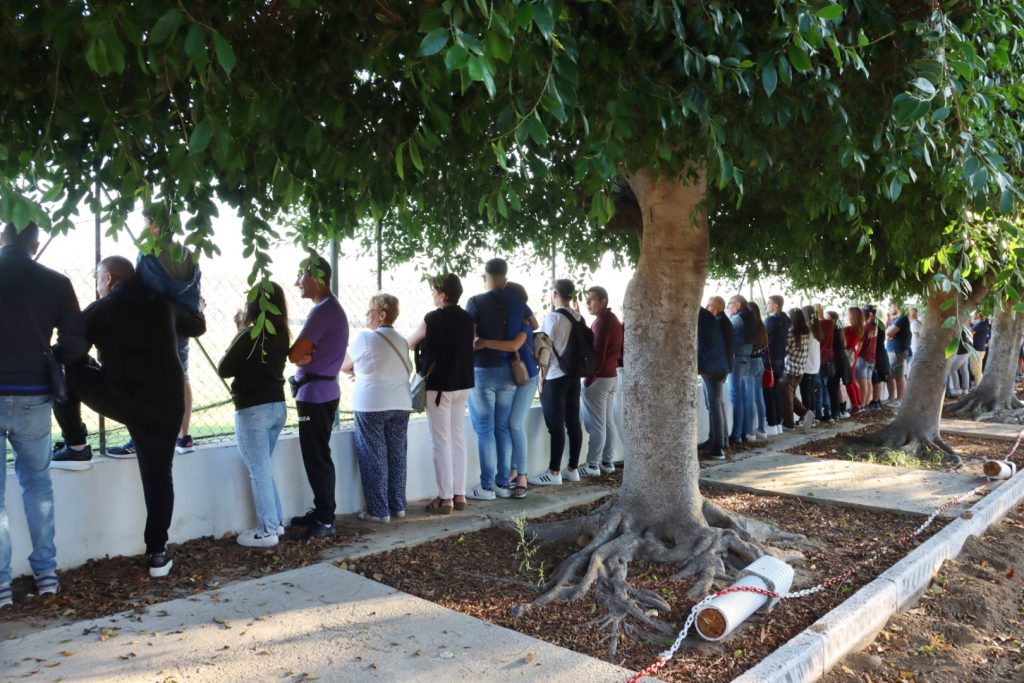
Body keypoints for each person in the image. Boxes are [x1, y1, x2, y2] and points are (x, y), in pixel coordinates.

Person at [52, 255, 205, 578]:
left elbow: (71, 352)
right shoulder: (163, 303)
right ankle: (158, 553)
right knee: (159, 476)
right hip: (167, 405)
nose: (97, 285)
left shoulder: (103, 308)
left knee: (67, 369)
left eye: (97, 279)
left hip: (124, 398)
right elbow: (198, 325)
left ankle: (76, 446)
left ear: (108, 279)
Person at [0, 222, 86, 606]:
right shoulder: (56, 282)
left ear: (3, 239)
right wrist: (51, 358)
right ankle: (47, 576)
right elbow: (75, 343)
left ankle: (2, 587)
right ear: (36, 245)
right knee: (38, 486)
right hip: (34, 393)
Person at [109, 207, 204, 457]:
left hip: (156, 325)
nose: (143, 230)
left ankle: (140, 439)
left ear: (155, 227)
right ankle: (184, 436)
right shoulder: (187, 253)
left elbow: (145, 291)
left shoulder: (149, 253)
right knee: (181, 375)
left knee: (147, 379)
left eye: (145, 224)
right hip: (182, 323)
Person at [217, 283, 290, 547]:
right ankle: (276, 522)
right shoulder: (281, 333)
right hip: (277, 407)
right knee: (263, 467)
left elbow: (224, 368)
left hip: (252, 409)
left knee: (258, 469)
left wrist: (239, 332)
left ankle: (268, 530)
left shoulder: (249, 334)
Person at [288, 253, 348, 540]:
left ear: (316, 279)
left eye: (302, 276)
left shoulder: (323, 311)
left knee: (317, 456)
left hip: (316, 396)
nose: (298, 282)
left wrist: (303, 356)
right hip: (318, 393)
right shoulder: (328, 309)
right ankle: (322, 510)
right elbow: (301, 354)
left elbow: (295, 353)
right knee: (317, 454)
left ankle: (325, 518)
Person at [465, 258, 533, 499]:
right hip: (508, 372)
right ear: (505, 276)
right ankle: (503, 484)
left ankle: (486, 487)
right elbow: (532, 323)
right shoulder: (517, 300)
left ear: (485, 276)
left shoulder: (475, 302)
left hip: (482, 370)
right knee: (502, 428)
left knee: (485, 430)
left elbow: (467, 334)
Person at [407, 274, 475, 513]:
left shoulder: (432, 318)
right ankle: (460, 495)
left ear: (443, 294)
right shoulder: (468, 318)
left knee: (441, 441)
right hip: (463, 383)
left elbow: (411, 342)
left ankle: (445, 498)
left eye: (434, 291)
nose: (432, 294)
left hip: (439, 387)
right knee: (457, 438)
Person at [342, 293, 412, 523]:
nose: (366, 315)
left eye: (370, 311)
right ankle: (397, 505)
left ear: (381, 314)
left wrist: (359, 372)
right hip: (401, 403)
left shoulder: (364, 338)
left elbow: (344, 364)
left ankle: (379, 511)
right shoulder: (401, 339)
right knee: (397, 454)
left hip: (372, 403)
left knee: (373, 454)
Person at [529, 279, 584, 486]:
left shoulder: (553, 318)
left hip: (554, 376)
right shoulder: (578, 316)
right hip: (573, 376)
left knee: (556, 426)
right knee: (573, 423)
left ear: (555, 293)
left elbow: (544, 349)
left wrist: (542, 379)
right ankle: (573, 468)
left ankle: (553, 472)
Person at [579, 286, 623, 475]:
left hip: (601, 378)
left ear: (603, 301)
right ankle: (607, 461)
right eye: (587, 299)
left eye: (592, 299)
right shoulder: (612, 320)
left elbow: (598, 354)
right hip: (611, 376)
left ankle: (592, 465)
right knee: (607, 422)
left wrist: (590, 378)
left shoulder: (602, 322)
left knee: (597, 424)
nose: (588, 303)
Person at [698, 305, 729, 460]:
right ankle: (717, 440)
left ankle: (717, 447)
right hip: (716, 366)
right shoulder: (708, 316)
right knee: (714, 405)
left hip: (710, 368)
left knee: (714, 406)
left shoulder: (699, 317)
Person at [726, 295, 755, 444]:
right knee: (743, 397)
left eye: (729, 304)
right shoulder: (751, 317)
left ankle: (736, 435)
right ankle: (743, 432)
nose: (728, 307)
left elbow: (725, 333)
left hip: (736, 359)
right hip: (747, 358)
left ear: (737, 304)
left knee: (736, 397)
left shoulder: (737, 319)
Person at [780, 307, 812, 429]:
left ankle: (789, 423)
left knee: (787, 398)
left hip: (790, 369)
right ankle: (805, 414)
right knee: (790, 395)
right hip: (800, 370)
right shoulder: (806, 331)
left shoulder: (792, 332)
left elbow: (785, 350)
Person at [764, 295, 790, 434]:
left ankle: (772, 423)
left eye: (768, 304)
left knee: (769, 393)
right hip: (781, 360)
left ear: (775, 306)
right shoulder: (786, 320)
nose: (766, 306)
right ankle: (778, 422)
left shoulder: (770, 320)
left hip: (770, 361)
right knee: (776, 392)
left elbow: (763, 337)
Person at [747, 302, 769, 438]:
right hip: (760, 362)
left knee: (750, 398)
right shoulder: (762, 326)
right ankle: (762, 429)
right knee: (759, 398)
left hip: (750, 363)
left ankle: (750, 431)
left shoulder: (750, 327)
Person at [884, 303, 911, 405]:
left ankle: (900, 399)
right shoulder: (895, 319)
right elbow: (887, 333)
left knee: (898, 375)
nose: (889, 309)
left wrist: (889, 334)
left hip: (897, 351)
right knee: (890, 375)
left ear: (896, 306)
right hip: (892, 350)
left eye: (890, 307)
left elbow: (889, 333)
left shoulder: (902, 319)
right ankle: (892, 398)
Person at [800, 305, 822, 426]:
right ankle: (812, 417)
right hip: (814, 366)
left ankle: (808, 420)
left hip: (807, 367)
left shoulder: (807, 330)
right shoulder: (816, 328)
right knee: (811, 394)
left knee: (806, 394)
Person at [843, 307, 866, 415]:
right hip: (854, 354)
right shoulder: (860, 329)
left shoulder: (848, 329)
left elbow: (844, 343)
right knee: (852, 380)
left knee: (848, 381)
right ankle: (859, 404)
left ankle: (855, 405)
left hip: (848, 354)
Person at [970, 312, 991, 388]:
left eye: (977, 314)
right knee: (977, 369)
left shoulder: (981, 324)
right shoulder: (985, 324)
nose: (976, 315)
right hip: (980, 349)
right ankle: (979, 385)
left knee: (976, 370)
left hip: (977, 350)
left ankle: (978, 386)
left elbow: (971, 332)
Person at [908, 307, 924, 377]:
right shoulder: (917, 322)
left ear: (913, 314)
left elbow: (916, 335)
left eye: (910, 313)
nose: (909, 315)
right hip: (917, 347)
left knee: (913, 365)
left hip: (916, 348)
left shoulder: (914, 323)